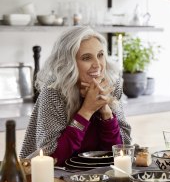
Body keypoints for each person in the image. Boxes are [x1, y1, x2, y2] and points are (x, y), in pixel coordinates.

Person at [20, 26, 131, 166]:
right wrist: (87, 110)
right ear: (69, 63)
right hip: (54, 178)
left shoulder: (110, 85)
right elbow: (50, 157)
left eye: (100, 55)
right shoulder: (53, 91)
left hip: (98, 176)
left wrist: (105, 111)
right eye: (86, 58)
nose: (97, 65)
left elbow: (123, 152)